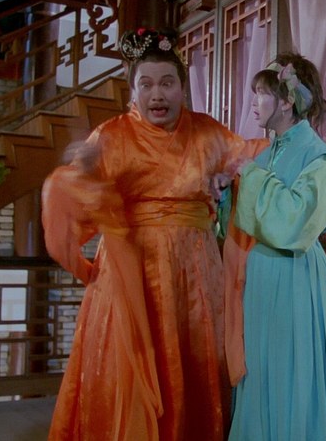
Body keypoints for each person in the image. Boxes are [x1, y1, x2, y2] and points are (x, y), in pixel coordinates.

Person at [42, 27, 268, 440]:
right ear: (133, 91)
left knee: (194, 366)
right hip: (130, 275)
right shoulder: (111, 135)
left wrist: (282, 144)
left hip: (196, 277)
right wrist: (83, 176)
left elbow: (251, 158)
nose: (157, 94)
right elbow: (72, 192)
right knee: (124, 376)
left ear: (183, 87)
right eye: (145, 84)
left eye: (167, 83)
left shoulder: (208, 133)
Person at [227, 52, 326, 440]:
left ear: (286, 101)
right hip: (262, 272)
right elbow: (246, 217)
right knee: (261, 368)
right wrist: (225, 189)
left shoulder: (318, 156)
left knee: (290, 369)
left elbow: (296, 220)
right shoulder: (268, 151)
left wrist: (250, 177)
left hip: (294, 272)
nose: (254, 102)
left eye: (262, 93)